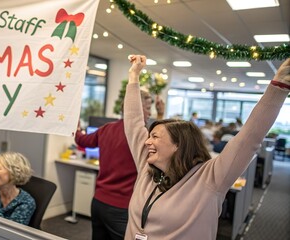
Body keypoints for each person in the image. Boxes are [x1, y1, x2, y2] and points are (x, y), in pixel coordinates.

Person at [123, 55, 289, 239]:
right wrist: (133, 76)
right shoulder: (148, 169)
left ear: (178, 145)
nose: (147, 142)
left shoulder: (210, 179)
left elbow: (249, 139)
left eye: (154, 136)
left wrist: (278, 88)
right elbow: (133, 123)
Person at [74, 89, 164, 239]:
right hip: (122, 207)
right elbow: (163, 146)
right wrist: (161, 115)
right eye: (148, 108)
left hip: (98, 203)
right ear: (134, 108)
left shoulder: (106, 129)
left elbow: (81, 140)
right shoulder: (144, 138)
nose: (150, 112)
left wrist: (75, 127)